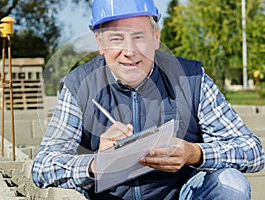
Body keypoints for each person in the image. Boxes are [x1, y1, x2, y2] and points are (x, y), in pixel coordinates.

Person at [31, 0, 265, 199]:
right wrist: (97, 164)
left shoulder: (190, 78)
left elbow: (253, 151)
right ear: (100, 43)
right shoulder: (79, 85)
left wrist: (194, 153)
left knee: (231, 183)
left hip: (181, 194)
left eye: (139, 37)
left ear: (155, 37)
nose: (130, 51)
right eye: (116, 39)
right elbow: (43, 167)